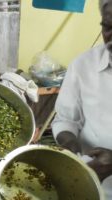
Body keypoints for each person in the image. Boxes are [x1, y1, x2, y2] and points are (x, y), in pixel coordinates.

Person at [52, 0, 112, 198]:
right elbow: (66, 118)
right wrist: (69, 140)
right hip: (89, 185)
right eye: (108, 27)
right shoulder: (83, 65)